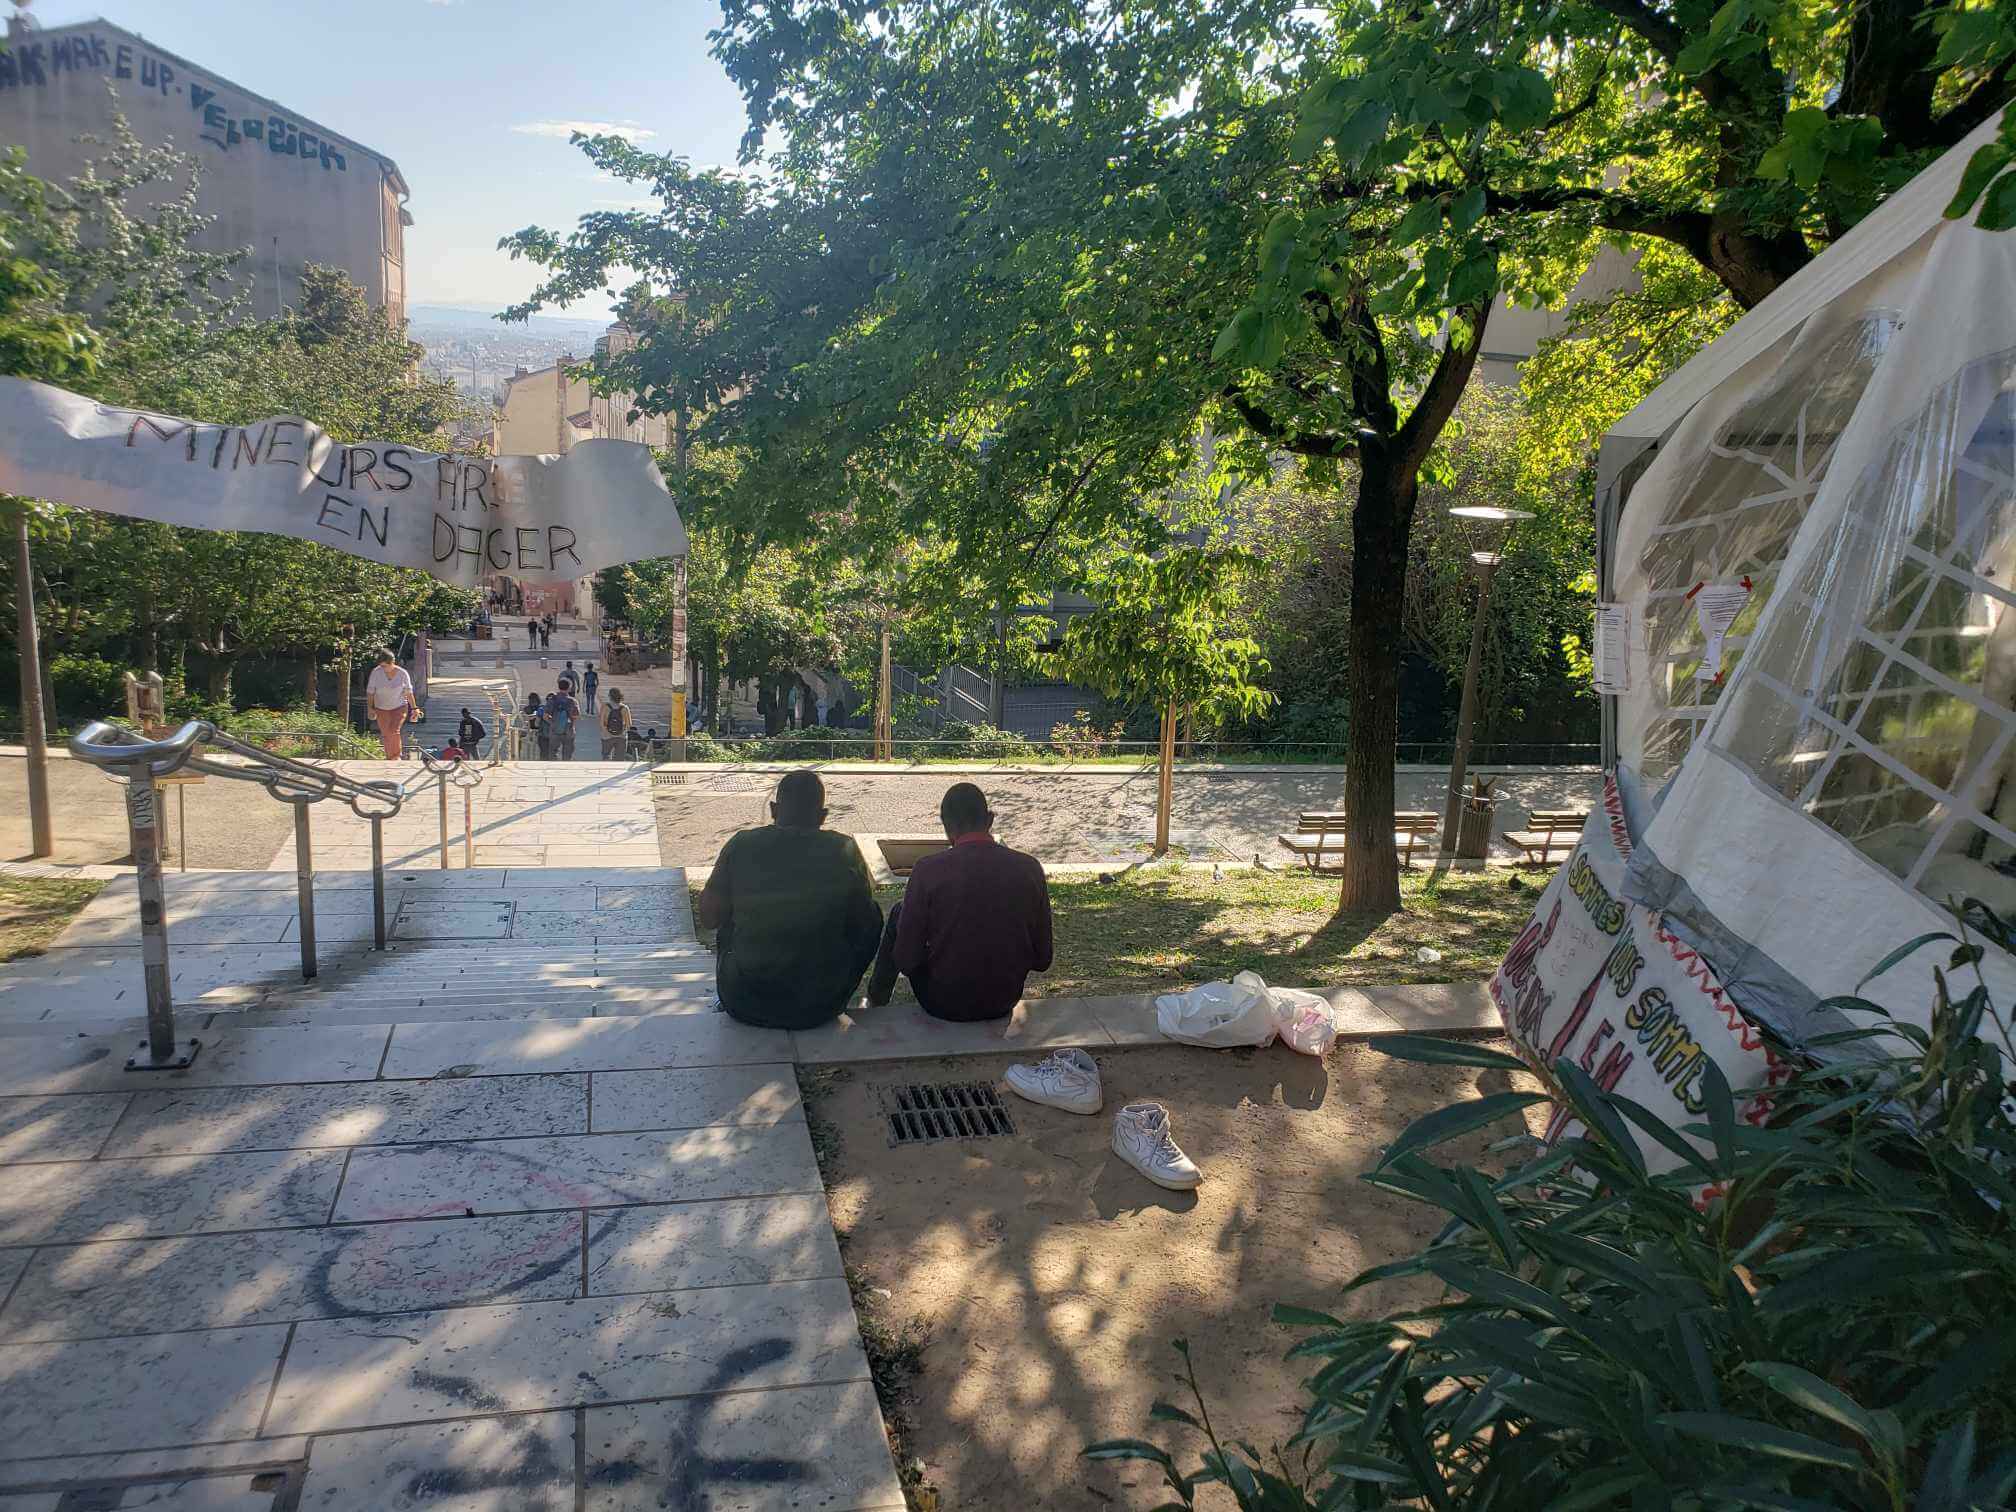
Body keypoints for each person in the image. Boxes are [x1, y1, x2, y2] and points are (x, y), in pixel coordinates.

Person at [697, 771, 883, 1030]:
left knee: (725, 915)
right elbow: (864, 925)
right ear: (822, 816)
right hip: (820, 1004)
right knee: (873, 915)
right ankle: (852, 991)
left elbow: (709, 918)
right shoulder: (843, 850)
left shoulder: (741, 845)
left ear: (774, 809)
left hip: (743, 1000)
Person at [867, 782, 1052, 1021]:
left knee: (899, 913)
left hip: (942, 1002)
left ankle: (875, 1000)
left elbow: (906, 960)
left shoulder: (928, 870)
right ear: (990, 820)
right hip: (1003, 999)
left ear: (946, 827)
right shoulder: (1029, 868)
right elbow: (1042, 959)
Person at [364, 649, 420, 760]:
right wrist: (370, 708)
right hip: (381, 708)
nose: (383, 669)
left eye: (385, 666)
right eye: (381, 666)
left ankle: (396, 756)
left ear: (392, 662)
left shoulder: (402, 674)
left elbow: (409, 692)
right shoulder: (376, 672)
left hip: (399, 707)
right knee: (386, 733)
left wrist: (414, 708)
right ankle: (389, 757)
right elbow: (370, 692)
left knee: (394, 730)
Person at [544, 684, 581, 760]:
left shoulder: (552, 700)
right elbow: (577, 715)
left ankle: (554, 769)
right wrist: (571, 722)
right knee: (567, 754)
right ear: (569, 688)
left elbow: (545, 716)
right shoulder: (572, 701)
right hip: (569, 730)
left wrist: (552, 722)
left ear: (559, 687)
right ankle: (565, 769)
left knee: (553, 753)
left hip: (554, 730)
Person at [601, 687, 633, 758]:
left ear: (610, 696)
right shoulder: (625, 708)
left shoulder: (605, 707)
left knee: (606, 757)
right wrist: (623, 731)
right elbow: (629, 724)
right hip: (621, 736)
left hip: (607, 736)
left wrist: (606, 732)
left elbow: (601, 723)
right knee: (620, 758)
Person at [527, 692, 552, 761]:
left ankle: (543, 763)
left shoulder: (541, 709)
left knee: (544, 753)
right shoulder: (559, 709)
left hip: (542, 735)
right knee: (553, 752)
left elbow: (536, 724)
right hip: (556, 734)